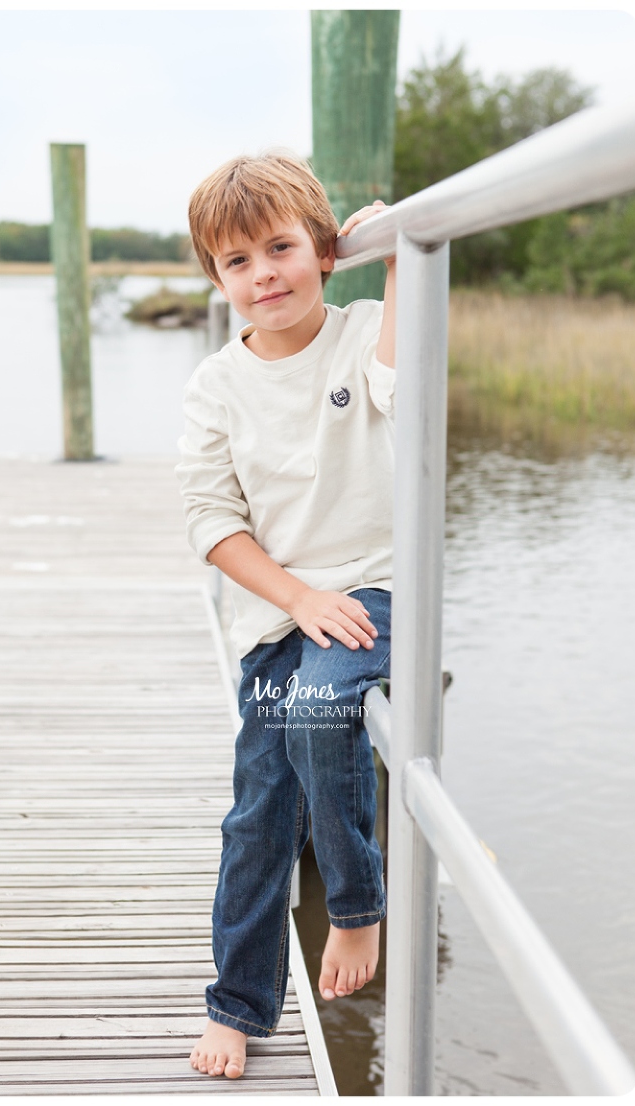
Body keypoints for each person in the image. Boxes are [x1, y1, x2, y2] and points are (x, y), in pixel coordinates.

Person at [176, 150, 396, 1080]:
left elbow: (405, 383)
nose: (264, 274)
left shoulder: (365, 330)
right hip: (279, 611)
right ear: (217, 278)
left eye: (281, 248)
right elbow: (211, 521)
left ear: (324, 251)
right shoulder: (216, 386)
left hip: (373, 586)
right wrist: (297, 598)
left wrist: (405, 256)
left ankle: (355, 906)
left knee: (320, 707)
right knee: (257, 815)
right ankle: (237, 1005)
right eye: (238, 261)